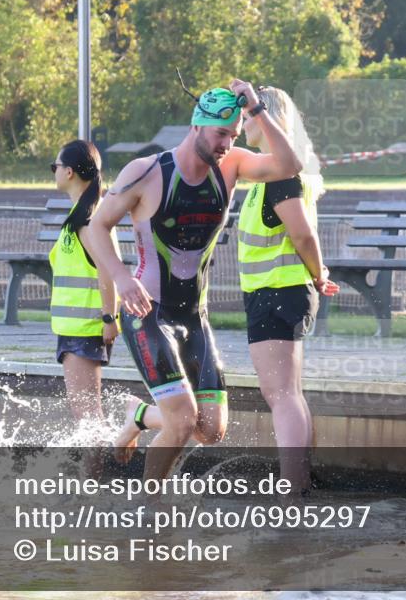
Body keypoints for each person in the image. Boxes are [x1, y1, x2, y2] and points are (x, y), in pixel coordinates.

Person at [83, 79, 304, 482]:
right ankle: (152, 510)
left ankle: (138, 416)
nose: (226, 143)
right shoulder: (146, 172)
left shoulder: (232, 165)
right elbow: (96, 228)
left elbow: (290, 166)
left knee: (210, 429)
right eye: (221, 133)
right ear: (197, 125)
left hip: (194, 317)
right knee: (182, 422)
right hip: (146, 311)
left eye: (234, 135)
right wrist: (120, 278)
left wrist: (256, 109)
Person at [237, 86, 339, 496]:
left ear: (266, 118)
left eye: (246, 117)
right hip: (275, 292)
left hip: (278, 291)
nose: (242, 125)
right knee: (286, 393)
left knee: (281, 395)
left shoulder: (280, 177)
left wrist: (317, 273)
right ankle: (299, 482)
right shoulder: (269, 175)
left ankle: (292, 489)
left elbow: (303, 233)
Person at [48, 139, 119, 435]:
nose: (53, 171)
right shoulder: (80, 214)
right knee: (87, 417)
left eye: (56, 166)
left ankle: (93, 482)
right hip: (76, 329)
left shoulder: (88, 220)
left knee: (88, 419)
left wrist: (108, 318)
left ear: (70, 172)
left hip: (84, 329)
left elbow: (108, 270)